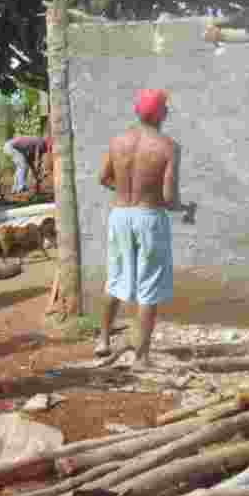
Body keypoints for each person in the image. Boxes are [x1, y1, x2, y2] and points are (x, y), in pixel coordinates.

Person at [94, 88, 177, 370]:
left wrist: (128, 193)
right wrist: (181, 207)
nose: (168, 111)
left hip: (120, 215)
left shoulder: (117, 141)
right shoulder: (167, 147)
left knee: (115, 279)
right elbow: (168, 197)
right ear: (158, 113)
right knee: (149, 287)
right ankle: (141, 357)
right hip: (149, 216)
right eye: (165, 107)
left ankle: (103, 341)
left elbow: (103, 177)